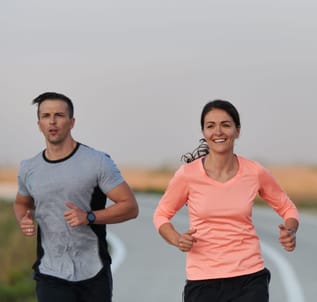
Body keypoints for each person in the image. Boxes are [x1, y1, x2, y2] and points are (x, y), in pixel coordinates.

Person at [153, 99, 299, 302]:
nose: (218, 132)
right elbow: (161, 215)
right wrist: (178, 239)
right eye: (210, 126)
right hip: (203, 280)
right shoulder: (187, 175)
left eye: (226, 125)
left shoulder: (255, 172)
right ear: (204, 132)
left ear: (237, 131)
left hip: (249, 277)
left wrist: (290, 230)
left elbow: (287, 207)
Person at [13, 92, 139, 302]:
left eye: (59, 115)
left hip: (93, 271)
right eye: (46, 116)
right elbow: (21, 202)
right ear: (39, 124)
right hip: (50, 272)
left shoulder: (97, 161)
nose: (52, 121)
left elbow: (130, 207)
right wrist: (23, 219)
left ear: (72, 122)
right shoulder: (29, 168)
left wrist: (89, 217)